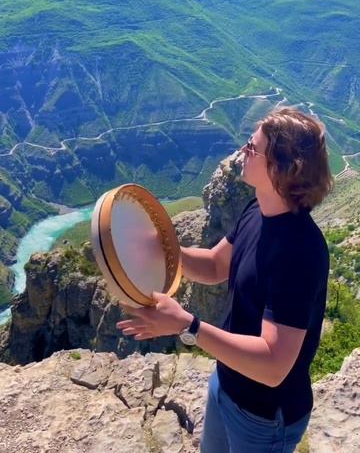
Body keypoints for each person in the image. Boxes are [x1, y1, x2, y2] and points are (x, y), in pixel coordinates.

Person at [117, 107, 333, 453]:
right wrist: (163, 249)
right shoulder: (257, 210)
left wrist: (187, 325)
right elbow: (216, 265)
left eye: (252, 148)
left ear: (283, 168)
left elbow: (274, 364)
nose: (241, 152)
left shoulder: (299, 252)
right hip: (227, 385)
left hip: (264, 417)